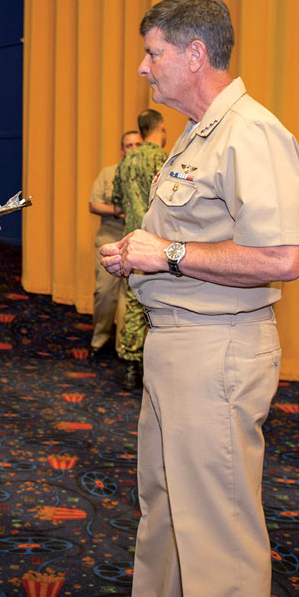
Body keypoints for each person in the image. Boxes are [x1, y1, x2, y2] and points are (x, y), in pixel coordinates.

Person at [82, 0, 299, 597]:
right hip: (175, 342)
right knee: (167, 506)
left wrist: (170, 254)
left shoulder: (251, 131)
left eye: (153, 53)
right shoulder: (196, 132)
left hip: (218, 350)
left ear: (195, 54)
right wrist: (139, 253)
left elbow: (281, 257)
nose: (144, 68)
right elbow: (190, 234)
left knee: (218, 529)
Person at [111, 110, 168, 389]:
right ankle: (157, 368)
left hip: (131, 244)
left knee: (133, 304)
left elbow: (117, 203)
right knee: (163, 305)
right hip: (159, 247)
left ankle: (131, 367)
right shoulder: (164, 160)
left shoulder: (126, 161)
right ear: (162, 128)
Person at [87, 130, 141, 357]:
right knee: (105, 293)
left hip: (138, 240)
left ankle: (124, 348)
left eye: (138, 144)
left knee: (129, 298)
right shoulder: (109, 173)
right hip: (110, 236)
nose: (134, 149)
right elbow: (93, 204)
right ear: (122, 150)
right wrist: (118, 211)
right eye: (129, 145)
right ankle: (99, 339)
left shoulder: (150, 174)